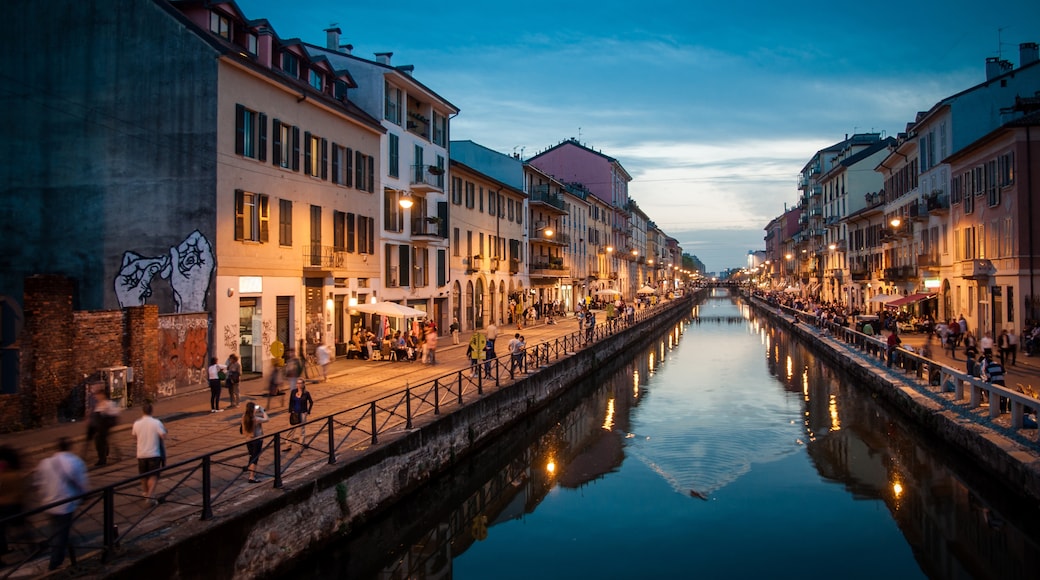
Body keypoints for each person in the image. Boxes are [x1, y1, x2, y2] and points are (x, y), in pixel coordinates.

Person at [34, 437, 88, 571]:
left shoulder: (44, 463)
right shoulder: (75, 462)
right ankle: (55, 564)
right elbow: (82, 483)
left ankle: (65, 550)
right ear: (70, 447)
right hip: (66, 503)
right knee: (61, 533)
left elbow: (38, 483)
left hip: (48, 503)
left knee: (56, 530)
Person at [132, 402, 167, 506]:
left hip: (141, 454)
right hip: (154, 453)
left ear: (142, 411)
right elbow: (163, 436)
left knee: (143, 475)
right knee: (153, 476)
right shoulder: (156, 423)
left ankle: (146, 493)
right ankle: (149, 496)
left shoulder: (137, 423)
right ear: (152, 411)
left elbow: (134, 436)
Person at [0, 445, 26, 557]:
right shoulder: (12, 474)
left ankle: (3, 548)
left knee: (2, 530)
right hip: (11, 505)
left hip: (4, 504)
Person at [87, 384, 120, 467]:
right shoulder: (100, 404)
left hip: (104, 426)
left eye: (97, 395)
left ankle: (102, 459)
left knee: (100, 441)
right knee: (102, 440)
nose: (96, 397)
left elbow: (115, 414)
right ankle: (105, 453)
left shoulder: (107, 404)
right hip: (101, 426)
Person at [241, 402, 269, 484]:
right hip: (257, 440)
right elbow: (267, 419)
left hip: (248, 440)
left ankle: (251, 470)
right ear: (253, 409)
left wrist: (254, 411)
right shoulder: (256, 419)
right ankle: (252, 476)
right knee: (255, 458)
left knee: (251, 455)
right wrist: (263, 411)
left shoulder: (244, 417)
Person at [286, 382, 314, 451]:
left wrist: (308, 411)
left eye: (301, 383)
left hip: (302, 413)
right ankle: (288, 445)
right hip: (294, 413)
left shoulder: (306, 393)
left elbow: (311, 402)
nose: (299, 384)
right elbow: (291, 402)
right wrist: (290, 411)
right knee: (290, 430)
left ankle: (301, 445)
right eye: (298, 383)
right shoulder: (293, 392)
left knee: (301, 430)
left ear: (303, 384)